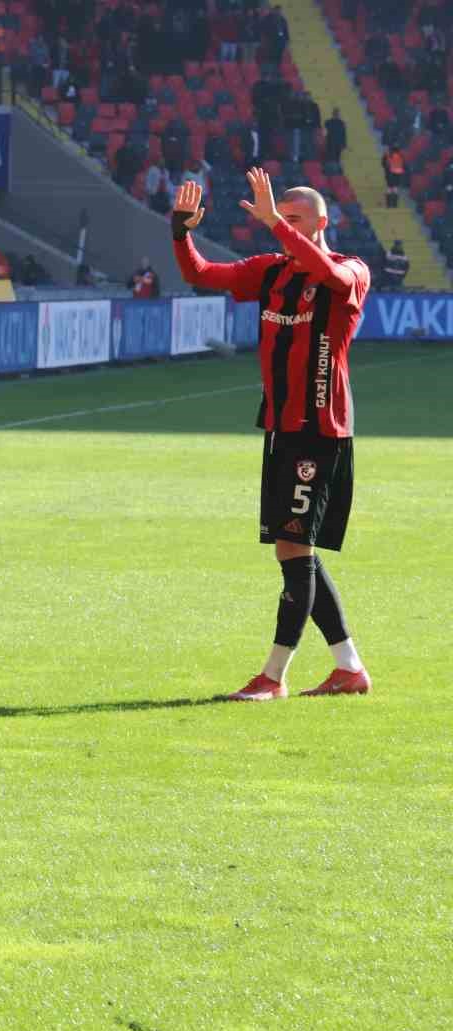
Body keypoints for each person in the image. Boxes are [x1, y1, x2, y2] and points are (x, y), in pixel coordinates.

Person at [171, 170, 372, 701]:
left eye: (296, 218)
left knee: (293, 546)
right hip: (282, 427)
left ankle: (273, 676)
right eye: (281, 218)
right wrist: (179, 231)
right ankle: (348, 669)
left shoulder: (350, 271)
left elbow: (325, 267)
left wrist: (276, 225)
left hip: (320, 429)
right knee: (294, 548)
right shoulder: (271, 271)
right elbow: (202, 274)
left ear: (322, 222)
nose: (286, 226)